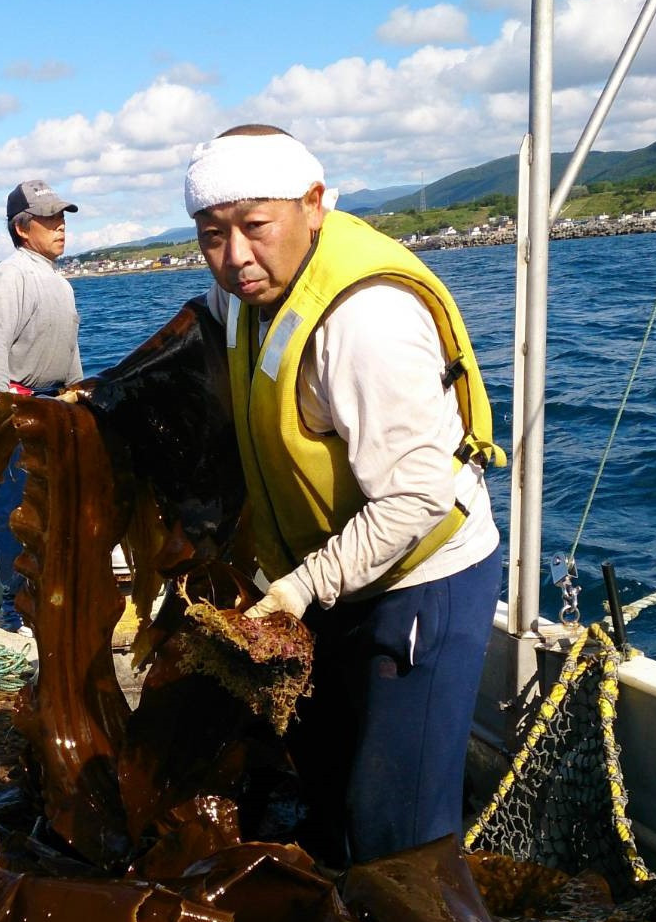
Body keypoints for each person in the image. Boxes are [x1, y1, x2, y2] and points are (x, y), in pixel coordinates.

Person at [184, 125, 504, 866]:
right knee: (330, 794)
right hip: (335, 581)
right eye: (211, 236)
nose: (234, 258)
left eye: (255, 228)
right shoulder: (246, 292)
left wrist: (301, 586)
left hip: (422, 581)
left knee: (399, 836)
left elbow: (416, 496)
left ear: (315, 205)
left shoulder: (365, 323)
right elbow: (202, 326)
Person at [0, 179, 83, 634]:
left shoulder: (59, 281)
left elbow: (69, 348)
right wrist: (1, 411)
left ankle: (47, 594)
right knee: (15, 510)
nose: (60, 227)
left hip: (55, 407)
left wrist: (80, 393)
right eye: (49, 219)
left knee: (55, 506)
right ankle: (16, 606)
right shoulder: (9, 275)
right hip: (16, 407)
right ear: (22, 228)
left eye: (62, 218)